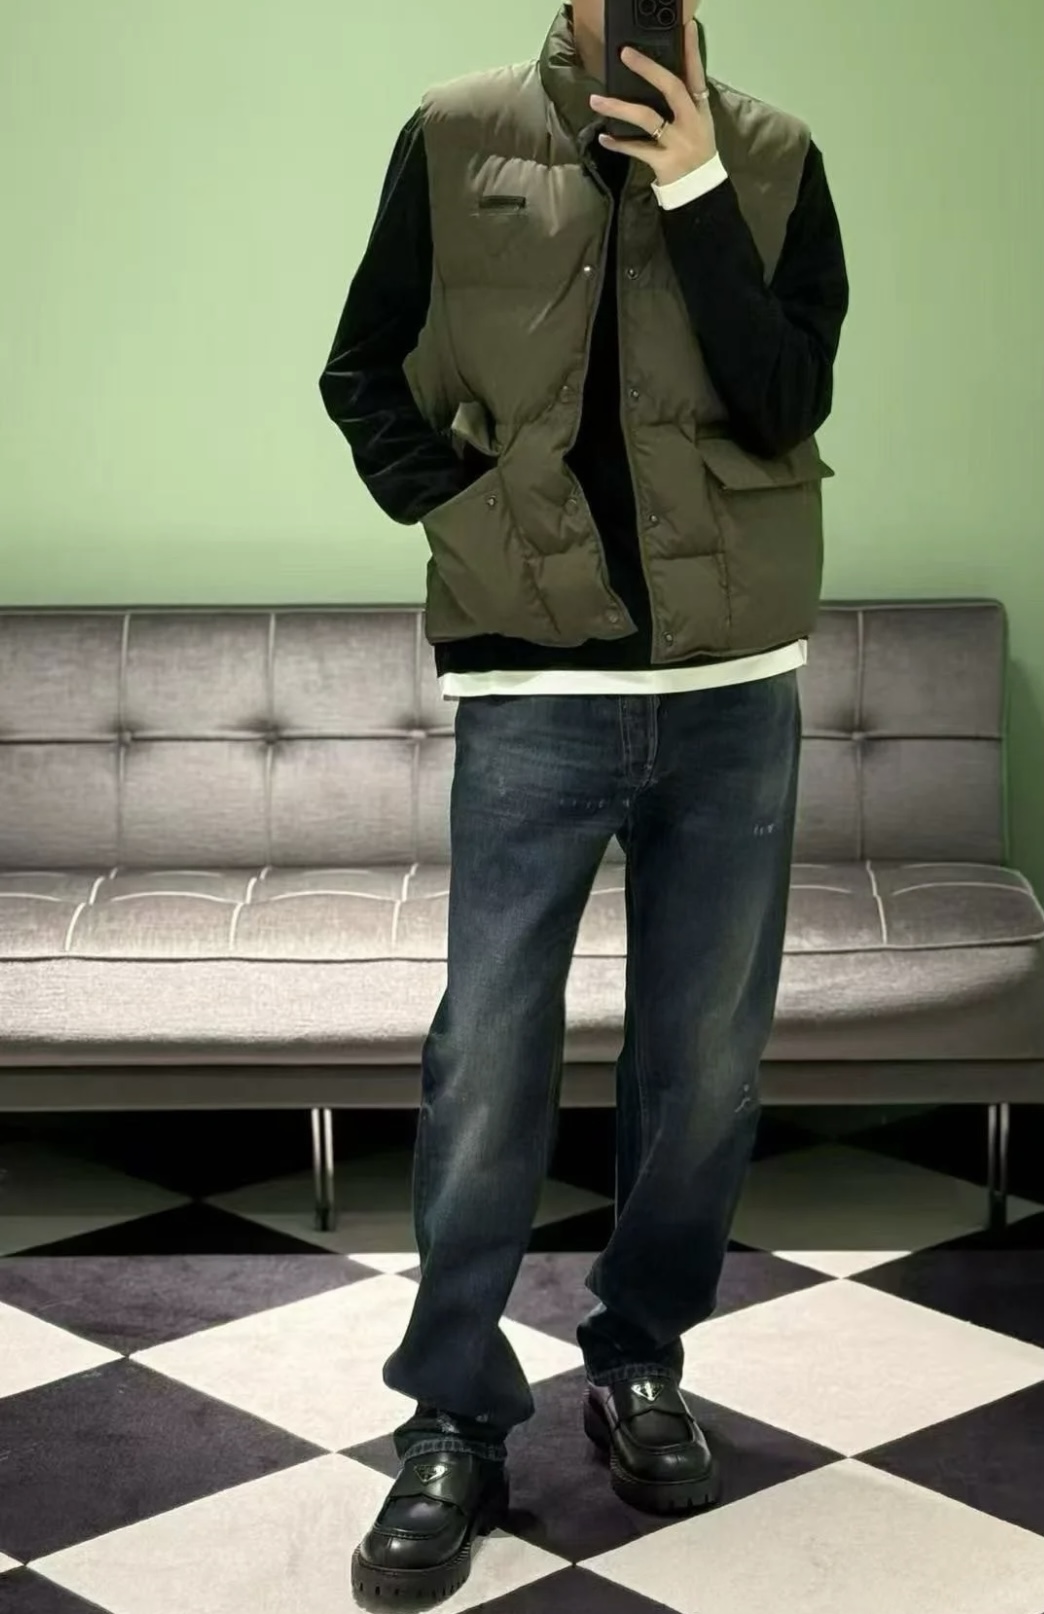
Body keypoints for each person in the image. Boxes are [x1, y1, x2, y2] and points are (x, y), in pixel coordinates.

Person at [320, 0, 849, 1601]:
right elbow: (363, 372)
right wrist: (481, 533)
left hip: (730, 688)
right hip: (533, 687)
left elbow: (787, 399)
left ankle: (638, 1357)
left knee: (706, 1066)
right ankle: (454, 1417)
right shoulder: (453, 132)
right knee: (488, 1056)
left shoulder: (774, 155)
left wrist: (696, 189)